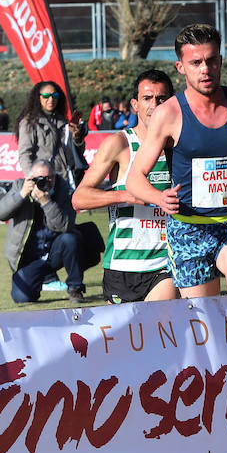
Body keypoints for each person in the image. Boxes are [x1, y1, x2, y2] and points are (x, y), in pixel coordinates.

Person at [129, 24, 227, 297]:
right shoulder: (168, 114)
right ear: (181, 67)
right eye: (196, 62)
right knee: (205, 320)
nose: (205, 69)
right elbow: (135, 178)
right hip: (189, 227)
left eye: (211, 60)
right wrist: (159, 198)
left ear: (220, 61)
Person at [71, 70, 178, 304]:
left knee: (158, 327)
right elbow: (79, 198)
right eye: (147, 98)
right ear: (135, 105)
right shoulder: (120, 143)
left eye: (161, 99)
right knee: (125, 339)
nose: (154, 105)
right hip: (122, 264)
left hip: (166, 263)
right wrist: (126, 195)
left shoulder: (180, 146)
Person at [0, 159, 85, 304]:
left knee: (70, 238)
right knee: (22, 298)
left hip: (54, 253)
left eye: (49, 178)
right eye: (39, 179)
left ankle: (75, 289)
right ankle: (35, 281)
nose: (45, 182)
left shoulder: (64, 190)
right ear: (31, 179)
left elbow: (64, 226)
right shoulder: (20, 186)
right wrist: (22, 194)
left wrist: (46, 203)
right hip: (29, 258)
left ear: (55, 177)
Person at [16, 81, 87, 182]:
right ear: (38, 98)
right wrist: (34, 178)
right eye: (46, 96)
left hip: (67, 178)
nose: (51, 99)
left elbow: (76, 152)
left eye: (54, 95)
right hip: (45, 179)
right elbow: (25, 154)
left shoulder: (63, 121)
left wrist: (77, 137)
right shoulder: (29, 122)